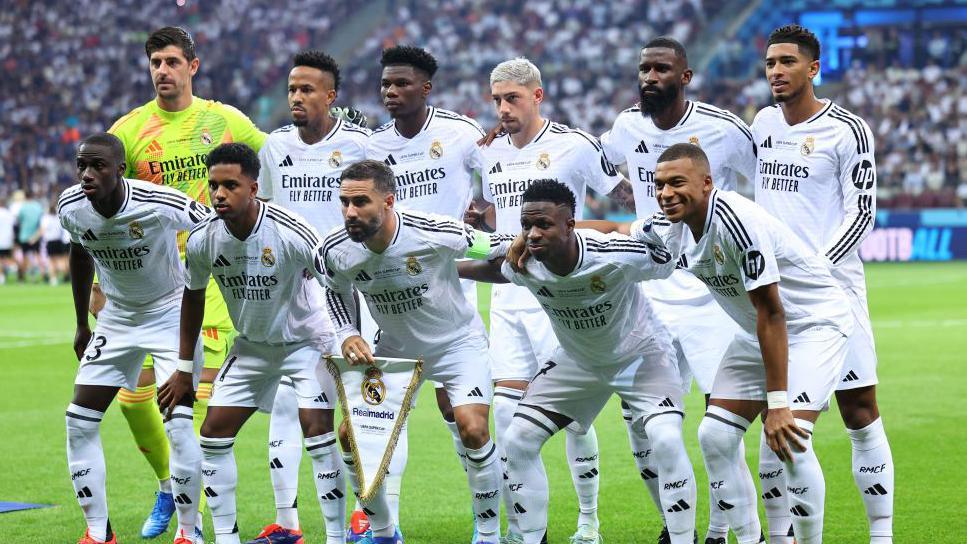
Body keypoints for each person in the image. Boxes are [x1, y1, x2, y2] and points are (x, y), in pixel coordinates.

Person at [627, 143, 853, 544]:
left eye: (677, 182)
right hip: (757, 332)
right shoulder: (672, 228)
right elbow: (616, 230)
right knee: (714, 436)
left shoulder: (735, 220)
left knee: (792, 436)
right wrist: (552, 230)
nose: (666, 193)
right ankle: (752, 539)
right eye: (660, 184)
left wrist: (778, 404)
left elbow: (772, 311)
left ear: (707, 182)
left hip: (813, 325)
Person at [458, 179, 695, 544]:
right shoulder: (524, 261)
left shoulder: (614, 254)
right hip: (578, 361)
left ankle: (684, 538)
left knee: (664, 438)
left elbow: (665, 254)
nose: (533, 235)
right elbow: (489, 266)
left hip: (640, 356)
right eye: (527, 226)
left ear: (570, 225)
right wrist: (444, 271)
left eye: (544, 225)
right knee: (518, 439)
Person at [107, 26, 267, 538]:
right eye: (155, 61)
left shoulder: (222, 120)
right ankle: (167, 485)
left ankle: (193, 517)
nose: (162, 70)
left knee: (194, 402)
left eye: (172, 61)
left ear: (192, 67)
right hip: (149, 280)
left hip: (213, 277)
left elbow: (278, 159)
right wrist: (99, 278)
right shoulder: (129, 131)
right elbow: (109, 206)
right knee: (133, 400)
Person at [468, 56, 630, 544]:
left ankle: (588, 522)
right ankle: (524, 530)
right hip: (507, 295)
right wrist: (481, 227)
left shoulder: (574, 145)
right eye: (496, 99)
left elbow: (623, 196)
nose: (502, 108)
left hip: (560, 298)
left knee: (574, 419)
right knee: (504, 414)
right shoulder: (488, 154)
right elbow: (498, 223)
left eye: (512, 98)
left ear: (537, 96)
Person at [598, 36, 754, 544]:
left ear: (684, 76)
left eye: (661, 69)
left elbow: (764, 190)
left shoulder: (725, 130)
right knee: (644, 426)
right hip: (650, 293)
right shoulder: (627, 126)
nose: (649, 77)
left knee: (721, 427)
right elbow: (590, 167)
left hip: (711, 294)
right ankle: (674, 525)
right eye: (644, 68)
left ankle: (721, 531)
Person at [751, 25, 893, 544]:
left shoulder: (848, 130)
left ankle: (882, 534)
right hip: (773, 297)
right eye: (770, 63)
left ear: (812, 68)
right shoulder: (763, 124)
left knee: (860, 410)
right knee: (779, 420)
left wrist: (812, 266)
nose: (776, 72)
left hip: (835, 292)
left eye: (787, 62)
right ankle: (782, 534)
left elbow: (862, 215)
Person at [322, 159, 513, 544]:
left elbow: (497, 245)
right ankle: (384, 533)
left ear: (389, 201)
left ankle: (489, 535)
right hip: (395, 351)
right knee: (350, 438)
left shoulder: (434, 231)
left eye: (361, 202)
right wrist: (346, 331)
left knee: (473, 430)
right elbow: (333, 287)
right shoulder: (335, 248)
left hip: (458, 344)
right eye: (344, 202)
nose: (350, 212)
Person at [175, 143, 339, 544]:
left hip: (307, 343)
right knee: (212, 435)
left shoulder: (290, 229)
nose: (219, 195)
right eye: (213, 185)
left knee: (317, 431)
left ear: (253, 185)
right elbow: (192, 298)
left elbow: (336, 282)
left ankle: (337, 537)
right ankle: (226, 538)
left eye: (230, 185)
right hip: (251, 347)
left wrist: (347, 336)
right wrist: (184, 370)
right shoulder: (202, 240)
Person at [358, 44, 489, 539]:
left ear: (425, 87)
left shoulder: (461, 134)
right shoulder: (373, 146)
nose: (390, 92)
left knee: (456, 410)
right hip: (389, 290)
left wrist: (482, 218)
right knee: (385, 415)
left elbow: (494, 183)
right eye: (385, 85)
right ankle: (385, 525)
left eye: (401, 84)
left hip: (448, 283)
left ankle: (485, 519)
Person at [59, 132, 210, 544]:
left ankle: (188, 530)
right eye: (81, 166)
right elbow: (78, 253)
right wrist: (81, 324)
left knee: (178, 426)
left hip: (169, 314)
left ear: (120, 170)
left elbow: (215, 227)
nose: (87, 174)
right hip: (117, 319)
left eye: (98, 166)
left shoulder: (159, 202)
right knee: (78, 421)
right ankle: (97, 532)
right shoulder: (71, 205)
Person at [255, 48, 370, 544]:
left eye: (307, 90)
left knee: (359, 409)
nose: (296, 97)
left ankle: (368, 511)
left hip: (350, 292)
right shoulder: (274, 148)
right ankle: (287, 522)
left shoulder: (360, 144)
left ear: (331, 96)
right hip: (294, 297)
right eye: (292, 89)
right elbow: (263, 210)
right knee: (288, 408)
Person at [16, 189, 44, 282]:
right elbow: (41, 222)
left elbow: (19, 221)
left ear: (25, 196)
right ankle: (41, 276)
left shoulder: (22, 208)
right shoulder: (38, 206)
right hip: (35, 236)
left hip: (24, 236)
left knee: (25, 257)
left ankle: (23, 278)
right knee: (37, 256)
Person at [0, 197, 14, 284]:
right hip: (8, 240)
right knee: (6, 258)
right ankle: (12, 268)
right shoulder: (9, 214)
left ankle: (1, 276)